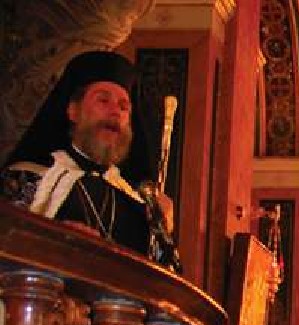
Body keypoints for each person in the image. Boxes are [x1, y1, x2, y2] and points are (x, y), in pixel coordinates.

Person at [0, 50, 179, 268]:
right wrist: (56, 240)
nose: (115, 112)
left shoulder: (137, 203)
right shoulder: (26, 178)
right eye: (103, 100)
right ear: (73, 111)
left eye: (124, 106)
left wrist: (163, 231)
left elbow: (163, 277)